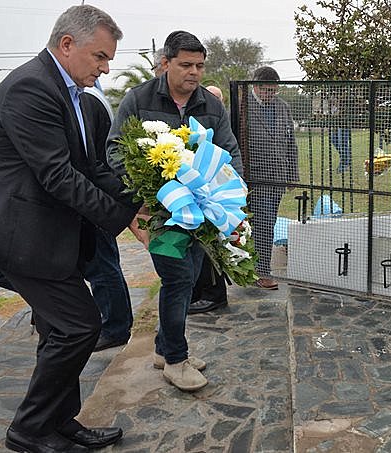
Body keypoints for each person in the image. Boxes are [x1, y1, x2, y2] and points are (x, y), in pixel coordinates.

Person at [0, 5, 141, 451]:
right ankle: (29, 429)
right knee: (78, 327)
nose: (106, 67)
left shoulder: (85, 103)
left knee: (56, 330)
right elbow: (58, 175)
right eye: (100, 56)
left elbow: (93, 167)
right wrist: (121, 218)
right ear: (66, 45)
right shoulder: (29, 89)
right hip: (24, 237)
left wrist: (139, 202)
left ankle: (60, 420)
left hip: (57, 239)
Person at [107, 30, 243, 391]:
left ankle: (162, 348)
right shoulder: (138, 100)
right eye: (185, 65)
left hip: (202, 214)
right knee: (178, 279)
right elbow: (115, 151)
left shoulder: (211, 106)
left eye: (199, 65)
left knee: (191, 277)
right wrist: (143, 191)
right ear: (165, 63)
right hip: (161, 214)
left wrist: (230, 196)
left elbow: (230, 153)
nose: (194, 72)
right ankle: (176, 360)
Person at [81, 83, 136, 352]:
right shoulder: (92, 98)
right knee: (104, 265)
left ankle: (115, 327)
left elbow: (93, 160)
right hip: (98, 197)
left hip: (97, 199)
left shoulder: (88, 100)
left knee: (103, 268)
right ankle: (115, 322)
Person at [246, 66, 299, 290]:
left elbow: (291, 142)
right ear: (256, 87)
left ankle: (252, 266)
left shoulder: (283, 107)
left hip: (277, 176)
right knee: (263, 224)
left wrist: (292, 174)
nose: (271, 94)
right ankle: (262, 272)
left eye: (274, 90)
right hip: (254, 179)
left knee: (268, 223)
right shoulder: (242, 108)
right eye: (267, 90)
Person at [187, 83, 230, 315]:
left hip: (214, 190)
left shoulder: (218, 122)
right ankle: (195, 292)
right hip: (194, 189)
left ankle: (215, 294)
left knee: (210, 245)